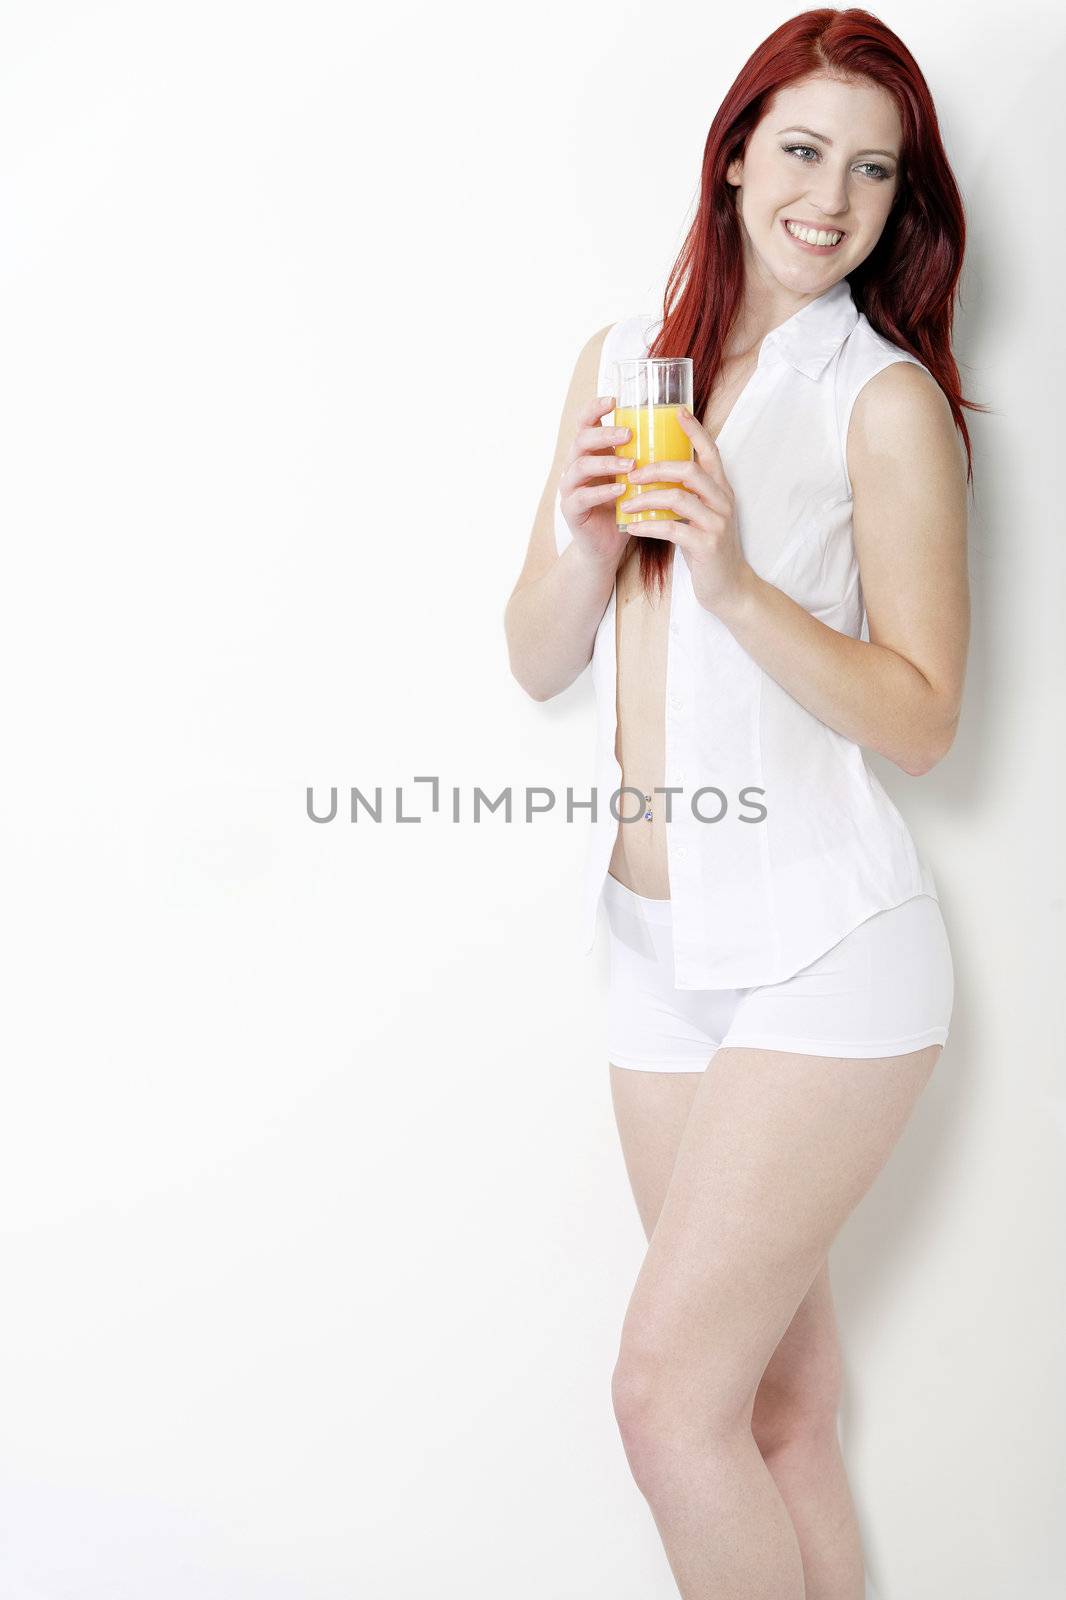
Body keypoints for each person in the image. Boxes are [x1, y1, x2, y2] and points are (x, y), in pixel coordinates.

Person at [503, 9, 977, 1596]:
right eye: (799, 151)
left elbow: (920, 719)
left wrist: (733, 576)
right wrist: (583, 541)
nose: (828, 199)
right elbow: (533, 660)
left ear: (897, 199)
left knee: (664, 1403)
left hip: (824, 947)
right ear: (730, 157)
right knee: (773, 1407)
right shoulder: (623, 362)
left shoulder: (882, 404)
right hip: (651, 949)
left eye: (869, 170)